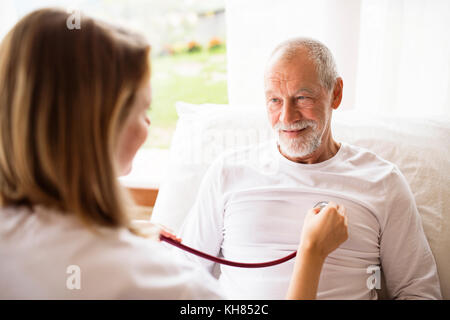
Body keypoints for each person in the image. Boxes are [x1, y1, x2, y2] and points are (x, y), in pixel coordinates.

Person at [0, 9, 347, 299]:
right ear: (98, 127)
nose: (149, 123)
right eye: (142, 109)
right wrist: (312, 253)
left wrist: (113, 234)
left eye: (302, 97)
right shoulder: (162, 283)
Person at [175, 37, 442, 300]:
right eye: (275, 101)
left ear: (335, 93)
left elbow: (418, 291)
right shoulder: (228, 173)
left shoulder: (382, 181)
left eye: (302, 98)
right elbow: (183, 278)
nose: (287, 118)